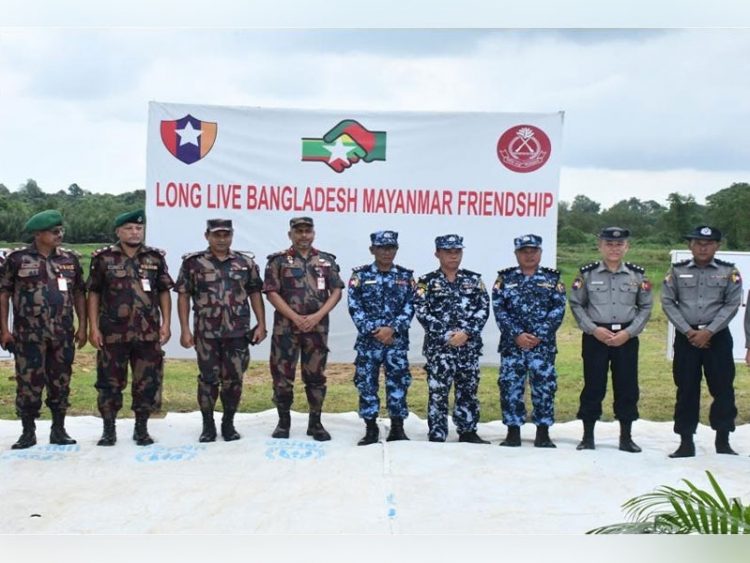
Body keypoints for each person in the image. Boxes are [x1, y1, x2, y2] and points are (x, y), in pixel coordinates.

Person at [0, 210, 87, 449]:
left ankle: (58, 430)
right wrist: (4, 330)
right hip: (28, 335)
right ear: (38, 234)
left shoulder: (69, 259)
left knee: (61, 381)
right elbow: (4, 293)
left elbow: (79, 292)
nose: (59, 235)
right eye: (54, 231)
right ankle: (28, 432)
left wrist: (83, 326)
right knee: (28, 383)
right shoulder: (17, 259)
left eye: (61, 231)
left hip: (62, 334)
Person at [175, 219, 267, 442]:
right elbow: (184, 295)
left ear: (232, 236)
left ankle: (228, 423)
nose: (222, 239)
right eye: (217, 235)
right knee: (208, 380)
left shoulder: (245, 263)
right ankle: (208, 425)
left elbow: (255, 293)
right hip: (207, 333)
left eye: (226, 235)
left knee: (234, 380)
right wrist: (185, 329)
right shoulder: (193, 263)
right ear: (207, 236)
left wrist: (262, 324)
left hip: (237, 332)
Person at [87, 209, 174, 446]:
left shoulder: (155, 258)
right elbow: (93, 293)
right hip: (113, 333)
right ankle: (109, 430)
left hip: (147, 333)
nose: (135, 232)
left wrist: (166, 323)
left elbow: (164, 291)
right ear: (118, 231)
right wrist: (93, 327)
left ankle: (141, 428)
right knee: (109, 383)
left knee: (146, 381)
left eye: (139, 228)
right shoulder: (103, 258)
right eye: (129, 228)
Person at [569, 227, 652, 453]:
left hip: (626, 337)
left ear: (627, 247)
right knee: (593, 386)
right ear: (600, 246)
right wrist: (593, 329)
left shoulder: (638, 275)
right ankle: (587, 437)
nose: (614, 249)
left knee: (627, 387)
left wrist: (629, 332)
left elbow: (645, 307)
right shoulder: (587, 274)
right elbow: (576, 303)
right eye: (609, 244)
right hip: (596, 337)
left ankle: (626, 437)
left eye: (619, 245)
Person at [661, 225, 742, 458]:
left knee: (723, 388)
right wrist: (689, 331)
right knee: (686, 389)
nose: (703, 247)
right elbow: (668, 302)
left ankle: (723, 439)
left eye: (708, 243)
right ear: (690, 246)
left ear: (717, 246)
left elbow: (732, 304)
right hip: (687, 339)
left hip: (717, 339)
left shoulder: (729, 271)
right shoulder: (676, 271)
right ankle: (686, 441)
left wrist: (709, 331)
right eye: (697, 243)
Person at [263, 217, 344, 441]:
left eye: (307, 231)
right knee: (282, 377)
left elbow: (336, 291)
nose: (303, 236)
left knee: (316, 377)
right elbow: (271, 293)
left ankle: (315, 423)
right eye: (298, 231)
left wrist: (317, 316)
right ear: (290, 234)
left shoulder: (325, 261)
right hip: (286, 329)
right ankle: (283, 422)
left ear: (313, 233)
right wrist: (296, 317)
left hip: (317, 329)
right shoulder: (278, 261)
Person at [492, 234, 566, 448]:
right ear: (517, 254)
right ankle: (512, 431)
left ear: (540, 253)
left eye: (533, 251)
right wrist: (517, 334)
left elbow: (558, 309)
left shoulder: (552, 279)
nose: (529, 255)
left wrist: (539, 335)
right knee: (510, 386)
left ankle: (543, 432)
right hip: (512, 344)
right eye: (524, 251)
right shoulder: (504, 279)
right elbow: (499, 309)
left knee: (544, 386)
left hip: (542, 346)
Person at [414, 234, 490, 444]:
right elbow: (421, 312)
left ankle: (467, 431)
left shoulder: (474, 280)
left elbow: (483, 309)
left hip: (468, 346)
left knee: (468, 390)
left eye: (457, 251)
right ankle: (437, 433)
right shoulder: (426, 282)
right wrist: (447, 335)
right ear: (437, 253)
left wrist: (466, 333)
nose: (453, 256)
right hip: (440, 349)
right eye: (448, 251)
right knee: (438, 391)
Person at [347, 230, 416, 445]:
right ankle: (370, 428)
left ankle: (397, 427)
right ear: (372, 250)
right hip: (369, 342)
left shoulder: (405, 276)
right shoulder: (360, 276)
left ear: (396, 249)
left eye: (391, 248)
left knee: (398, 383)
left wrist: (392, 329)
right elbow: (354, 306)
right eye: (382, 248)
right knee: (367, 383)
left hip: (396, 342)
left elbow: (411, 305)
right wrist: (374, 330)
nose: (387, 252)